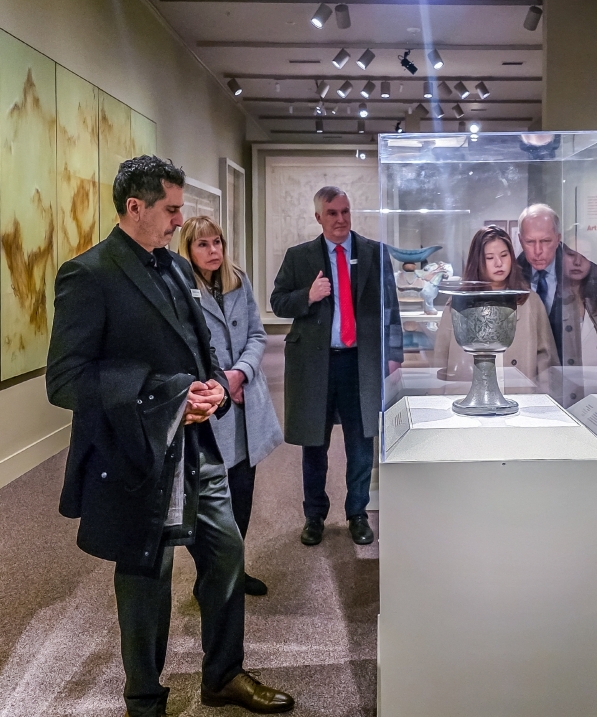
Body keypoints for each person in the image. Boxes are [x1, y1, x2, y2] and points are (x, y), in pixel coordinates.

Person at [46, 156, 294, 716]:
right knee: (147, 579)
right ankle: (145, 700)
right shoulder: (89, 274)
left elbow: (195, 350)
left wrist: (205, 388)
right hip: (138, 456)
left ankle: (223, 675)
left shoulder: (177, 269)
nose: (182, 221)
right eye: (173, 209)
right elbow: (65, 380)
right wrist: (164, 397)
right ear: (135, 207)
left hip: (199, 447)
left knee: (227, 555)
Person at [271, 186, 402, 547]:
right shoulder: (299, 257)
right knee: (315, 444)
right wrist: (307, 296)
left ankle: (357, 512)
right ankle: (314, 516)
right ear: (318, 217)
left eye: (345, 211)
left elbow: (390, 307)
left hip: (360, 363)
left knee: (361, 443)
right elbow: (278, 302)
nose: (341, 219)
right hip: (315, 365)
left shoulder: (374, 253)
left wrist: (394, 352)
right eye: (332, 213)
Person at [178, 216, 284, 596]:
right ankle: (211, 577)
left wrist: (239, 374)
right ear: (188, 249)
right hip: (209, 405)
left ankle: (233, 571)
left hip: (245, 404)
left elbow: (257, 334)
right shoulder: (181, 288)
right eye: (203, 244)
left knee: (242, 495)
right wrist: (222, 382)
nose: (213, 251)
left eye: (217, 242)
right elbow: (183, 349)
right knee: (207, 503)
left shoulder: (237, 280)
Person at [515, 203, 597, 406]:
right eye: (530, 242)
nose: (538, 251)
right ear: (520, 240)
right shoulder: (513, 277)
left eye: (545, 241)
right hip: (528, 374)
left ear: (558, 239)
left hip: (575, 374)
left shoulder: (591, 276)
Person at [435, 226, 557, 391]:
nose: (499, 263)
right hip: (466, 399)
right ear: (478, 261)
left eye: (504, 255)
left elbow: (546, 361)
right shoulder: (458, 302)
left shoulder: (530, 301)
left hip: (519, 398)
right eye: (489, 257)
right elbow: (441, 359)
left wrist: (546, 403)